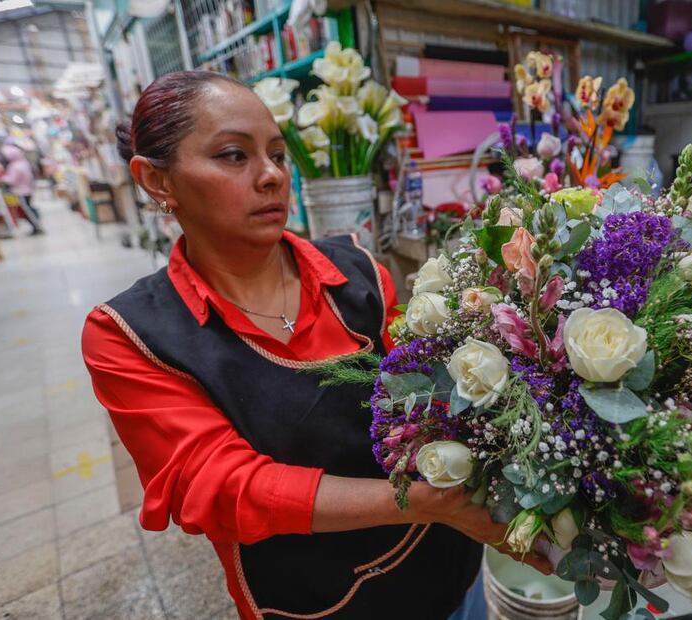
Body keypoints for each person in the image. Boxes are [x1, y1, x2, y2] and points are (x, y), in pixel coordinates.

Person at [81, 71, 550, 620]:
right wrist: (427, 503)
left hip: (448, 559)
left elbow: (434, 398)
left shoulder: (358, 275)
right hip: (320, 602)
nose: (271, 176)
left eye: (278, 155)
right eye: (234, 155)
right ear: (156, 181)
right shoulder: (132, 335)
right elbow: (224, 486)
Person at [0, 143, 43, 236]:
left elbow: (11, 180)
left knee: (27, 210)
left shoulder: (14, 166)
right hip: (27, 190)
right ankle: (36, 226)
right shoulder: (24, 163)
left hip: (20, 191)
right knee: (28, 209)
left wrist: (2, 179)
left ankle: (36, 226)